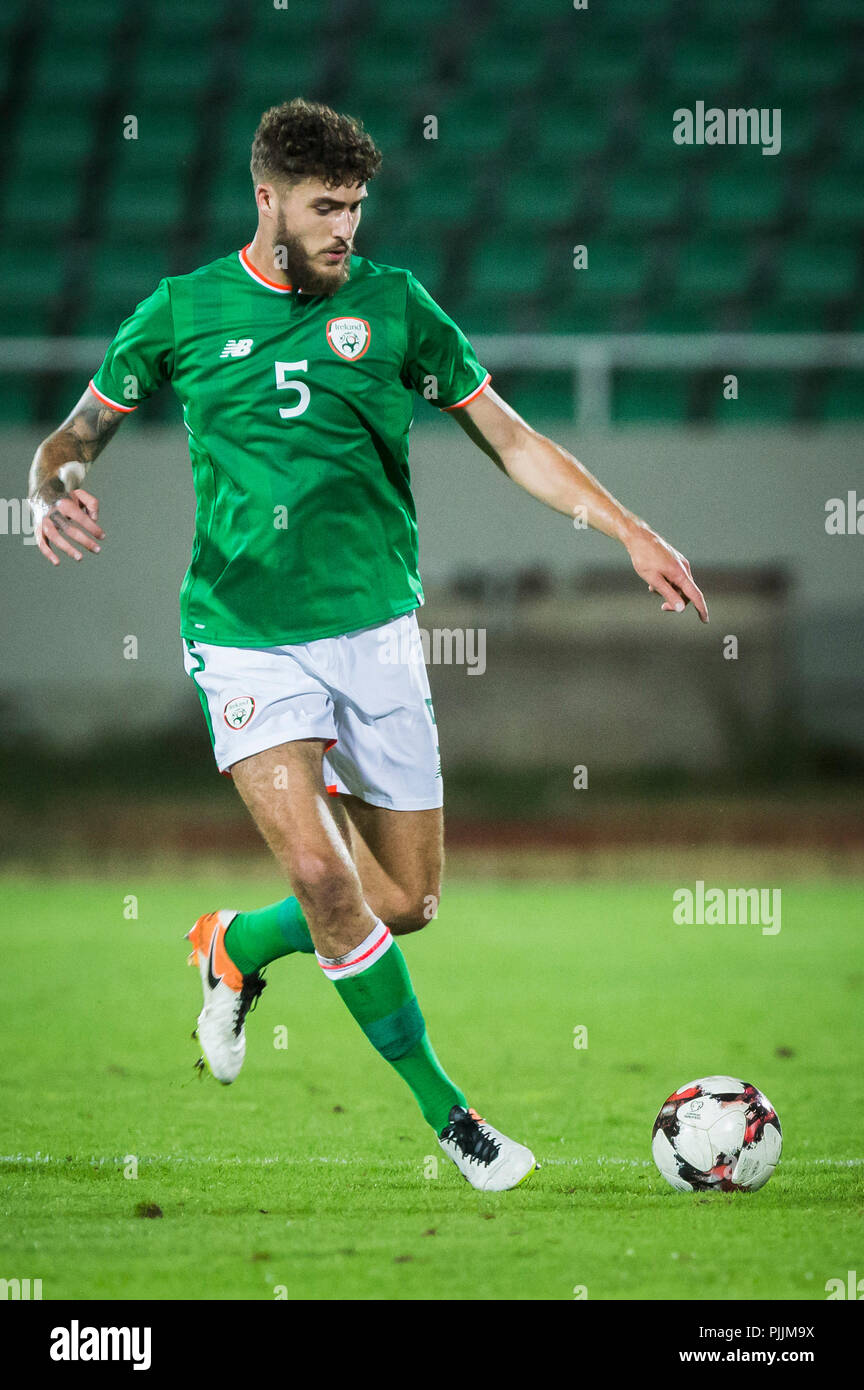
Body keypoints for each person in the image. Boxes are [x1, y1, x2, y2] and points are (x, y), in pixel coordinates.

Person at [28, 99, 708, 1193]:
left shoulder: (397, 308)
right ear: (269, 200)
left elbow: (511, 440)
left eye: (357, 205)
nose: (347, 226)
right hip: (246, 640)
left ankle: (236, 946)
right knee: (318, 868)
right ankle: (455, 1118)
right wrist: (53, 489)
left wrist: (627, 528)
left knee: (402, 903)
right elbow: (73, 435)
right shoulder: (180, 312)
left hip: (377, 636)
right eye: (325, 206)